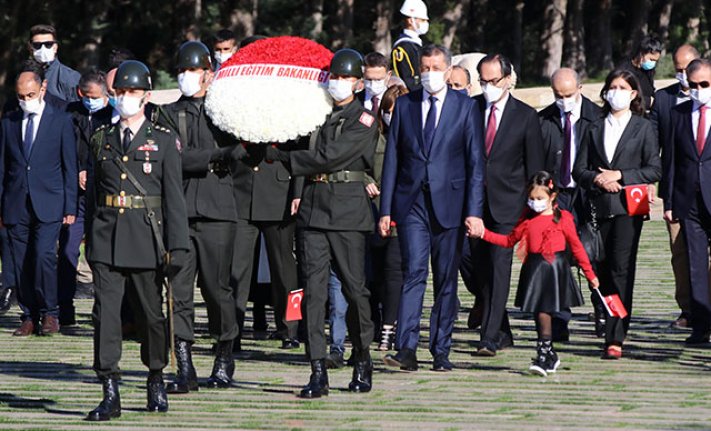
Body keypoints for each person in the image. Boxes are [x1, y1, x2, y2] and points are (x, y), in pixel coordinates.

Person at [265, 48, 378, 398]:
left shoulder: (365, 120)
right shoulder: (316, 115)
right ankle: (316, 369)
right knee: (312, 293)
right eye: (334, 76)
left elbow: (330, 156)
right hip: (314, 209)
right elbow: (298, 139)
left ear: (359, 84)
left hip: (346, 211)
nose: (338, 83)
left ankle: (361, 356)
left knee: (354, 289)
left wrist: (283, 157)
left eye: (345, 78)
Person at [85, 60, 189, 421]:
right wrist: (90, 239)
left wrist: (177, 246)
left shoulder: (161, 141)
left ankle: (156, 376)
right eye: (120, 93)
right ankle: (109, 388)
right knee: (105, 318)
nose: (125, 99)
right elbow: (93, 196)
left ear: (145, 96)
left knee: (151, 316)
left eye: (132, 93)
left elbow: (174, 198)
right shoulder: (101, 139)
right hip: (106, 238)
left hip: (147, 240)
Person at [379, 44, 485, 372]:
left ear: (448, 69)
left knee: (445, 277)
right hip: (412, 204)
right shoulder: (407, 105)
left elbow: (475, 164)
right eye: (424, 67)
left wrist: (474, 211)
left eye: (435, 67)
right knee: (413, 272)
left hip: (450, 203)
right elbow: (392, 158)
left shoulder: (465, 108)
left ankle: (441, 349)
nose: (429, 73)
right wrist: (386, 209)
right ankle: (406, 348)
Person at [159, 41, 241, 392]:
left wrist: (211, 154)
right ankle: (184, 365)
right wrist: (212, 157)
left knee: (217, 289)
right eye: (181, 71)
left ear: (209, 73)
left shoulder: (224, 109)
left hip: (217, 211)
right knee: (178, 292)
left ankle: (224, 356)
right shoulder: (164, 114)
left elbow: (239, 149)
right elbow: (171, 159)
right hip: (178, 213)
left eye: (192, 71)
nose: (186, 78)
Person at [573, 68, 661, 359]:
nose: (616, 92)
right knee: (600, 268)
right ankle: (608, 316)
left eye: (623, 87)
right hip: (597, 208)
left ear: (634, 93)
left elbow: (654, 168)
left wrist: (621, 175)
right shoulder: (593, 127)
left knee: (621, 269)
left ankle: (615, 335)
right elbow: (580, 169)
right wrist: (596, 179)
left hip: (628, 208)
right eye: (612, 87)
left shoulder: (643, 128)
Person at [477, 171, 599, 376]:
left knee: (545, 310)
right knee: (538, 311)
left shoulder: (564, 219)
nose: (535, 203)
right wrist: (483, 234)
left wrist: (590, 274)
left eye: (540, 199)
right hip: (535, 270)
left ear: (552, 196)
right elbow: (508, 241)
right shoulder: (526, 220)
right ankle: (548, 352)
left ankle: (543, 352)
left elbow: (577, 247)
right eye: (531, 199)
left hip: (555, 269)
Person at [467, 54, 545, 356]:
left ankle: (489, 337)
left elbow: (535, 167)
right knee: (477, 269)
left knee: (499, 268)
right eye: (483, 81)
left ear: (508, 79)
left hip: (508, 205)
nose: (488, 86)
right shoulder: (470, 109)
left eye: (493, 81)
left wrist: (534, 208)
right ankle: (502, 327)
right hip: (473, 204)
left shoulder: (525, 116)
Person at [0, 66, 78, 337]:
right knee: (20, 260)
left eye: (30, 94)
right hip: (16, 202)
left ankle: (50, 313)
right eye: (21, 96)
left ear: (42, 89)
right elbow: (3, 167)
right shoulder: (9, 123)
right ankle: (28, 314)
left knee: (44, 255)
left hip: (50, 201)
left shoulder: (61, 121)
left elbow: (70, 165)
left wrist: (70, 206)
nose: (26, 100)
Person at [538, 67, 602, 340]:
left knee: (596, 255)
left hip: (590, 195)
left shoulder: (597, 118)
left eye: (567, 94)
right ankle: (560, 319)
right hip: (558, 195)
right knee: (557, 257)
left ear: (580, 88)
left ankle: (602, 311)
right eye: (557, 95)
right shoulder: (544, 120)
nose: (563, 100)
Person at [651, 44, 701, 330]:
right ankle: (688, 309)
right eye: (679, 69)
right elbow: (655, 146)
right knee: (680, 252)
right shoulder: (664, 99)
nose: (684, 75)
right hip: (676, 191)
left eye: (688, 67)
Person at [664, 58, 711, 345]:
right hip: (688, 200)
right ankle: (700, 324)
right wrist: (668, 201)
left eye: (704, 85)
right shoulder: (679, 113)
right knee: (694, 263)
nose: (698, 90)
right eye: (693, 85)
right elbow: (670, 160)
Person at [61, 70, 113, 326]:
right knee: (69, 250)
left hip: (102, 195)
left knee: (99, 253)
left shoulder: (111, 115)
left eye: (100, 96)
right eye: (91, 96)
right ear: (81, 93)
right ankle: (64, 307)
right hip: (75, 196)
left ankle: (102, 309)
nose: (96, 101)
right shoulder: (70, 114)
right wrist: (79, 171)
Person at [368, 84, 409, 351]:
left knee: (395, 273)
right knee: (373, 276)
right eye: (386, 111)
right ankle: (372, 324)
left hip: (399, 214)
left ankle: (389, 329)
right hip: (371, 212)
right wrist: (365, 179)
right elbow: (357, 163)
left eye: (393, 111)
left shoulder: (412, 138)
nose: (389, 116)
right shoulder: (373, 137)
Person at [27, 24, 81, 102]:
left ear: (55, 47)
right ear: (30, 48)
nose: (43, 48)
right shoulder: (23, 76)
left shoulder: (70, 77)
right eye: (37, 45)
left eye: (48, 44)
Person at [391, 0, 429, 91]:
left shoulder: (417, 44)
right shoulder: (403, 47)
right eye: (422, 20)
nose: (426, 23)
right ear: (410, 20)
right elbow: (409, 80)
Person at [621, 36, 663, 110]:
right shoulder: (625, 70)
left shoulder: (649, 70)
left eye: (655, 61)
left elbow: (650, 89)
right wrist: (648, 102)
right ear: (641, 54)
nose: (653, 63)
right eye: (651, 59)